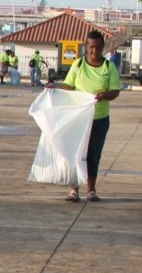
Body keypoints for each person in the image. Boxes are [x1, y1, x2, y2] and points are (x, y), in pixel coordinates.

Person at [48, 29, 121, 202]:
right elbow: (69, 86)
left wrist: (104, 95)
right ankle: (74, 190)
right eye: (90, 47)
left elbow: (115, 91)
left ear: (102, 47)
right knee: (76, 153)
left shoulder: (108, 67)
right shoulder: (78, 65)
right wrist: (55, 87)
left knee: (93, 154)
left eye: (97, 47)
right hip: (79, 118)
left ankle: (91, 190)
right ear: (86, 47)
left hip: (99, 119)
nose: (93, 51)